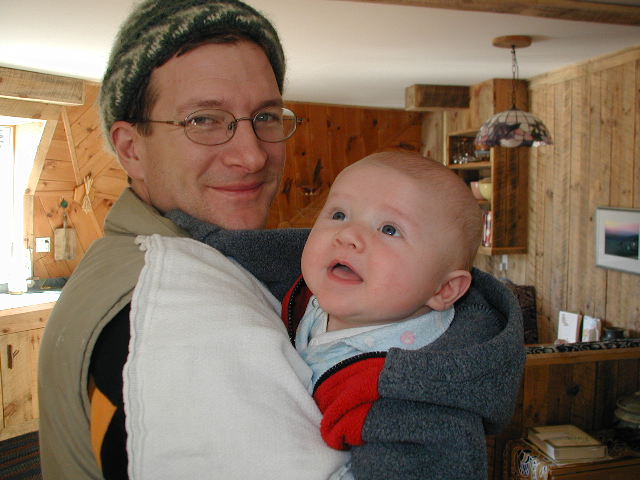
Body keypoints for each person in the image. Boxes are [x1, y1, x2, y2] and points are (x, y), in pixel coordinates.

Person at [38, 1, 346, 478]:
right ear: (131, 148)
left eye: (265, 116)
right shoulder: (181, 312)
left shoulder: (129, 262)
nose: (252, 156)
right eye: (204, 119)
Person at [171, 151, 527, 479]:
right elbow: (245, 249)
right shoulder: (312, 282)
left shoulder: (416, 400)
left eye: (389, 229)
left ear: (443, 289)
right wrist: (180, 226)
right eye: (339, 214)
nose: (348, 235)